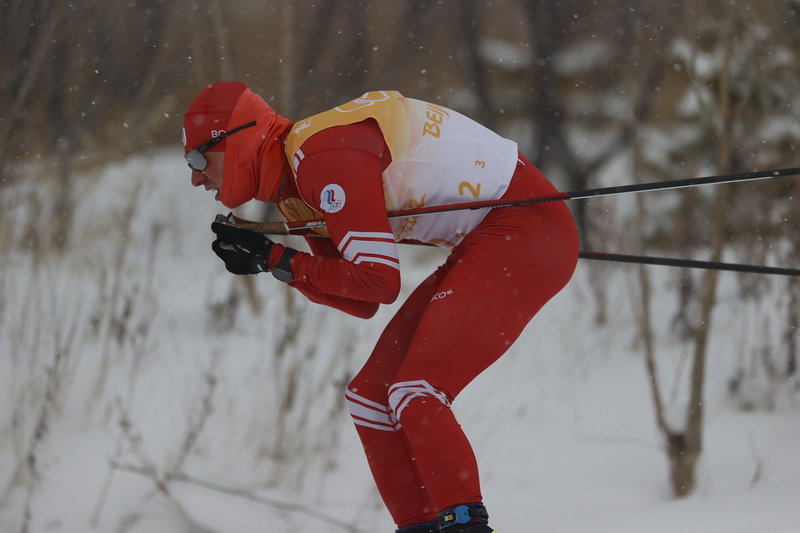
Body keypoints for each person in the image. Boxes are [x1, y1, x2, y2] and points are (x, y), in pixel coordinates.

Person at [182, 81, 579, 533]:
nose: (195, 178)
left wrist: (278, 258)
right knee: (369, 397)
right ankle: (421, 525)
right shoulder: (295, 186)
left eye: (197, 159)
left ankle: (466, 525)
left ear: (237, 139)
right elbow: (362, 301)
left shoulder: (322, 157)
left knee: (416, 388)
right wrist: (269, 261)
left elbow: (377, 281)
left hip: (526, 229)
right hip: (489, 238)